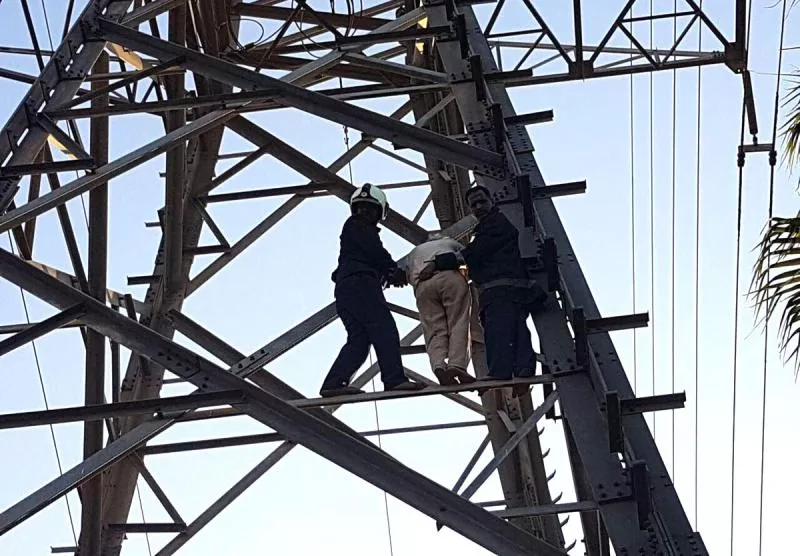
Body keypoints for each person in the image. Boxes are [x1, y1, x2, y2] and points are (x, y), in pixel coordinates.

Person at [320, 183, 425, 398]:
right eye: (363, 209)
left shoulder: (351, 231)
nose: (364, 212)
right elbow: (374, 250)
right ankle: (394, 379)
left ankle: (334, 383)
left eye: (368, 209)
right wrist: (391, 269)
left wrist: (386, 273)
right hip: (361, 285)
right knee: (384, 329)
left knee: (359, 339)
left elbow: (364, 255)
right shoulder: (359, 226)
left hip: (346, 290)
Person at [457, 185, 546, 393]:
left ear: (492, 201)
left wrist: (444, 261)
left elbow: (476, 252)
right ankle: (523, 371)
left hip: (498, 290)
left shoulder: (494, 225)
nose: (478, 207)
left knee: (498, 330)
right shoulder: (496, 225)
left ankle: (500, 371)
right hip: (510, 289)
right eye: (474, 205)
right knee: (516, 330)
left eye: (482, 202)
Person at [405, 233, 476, 386]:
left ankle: (438, 365)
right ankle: (456, 365)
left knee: (434, 329)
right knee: (458, 322)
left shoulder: (414, 252)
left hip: (422, 286)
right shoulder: (450, 243)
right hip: (450, 278)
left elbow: (406, 274)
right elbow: (469, 257)